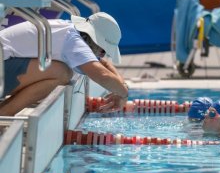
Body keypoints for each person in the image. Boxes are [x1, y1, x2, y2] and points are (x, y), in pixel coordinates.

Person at [0, 12, 128, 116]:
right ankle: (4, 113)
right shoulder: (73, 41)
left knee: (61, 71)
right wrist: (123, 94)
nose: (102, 55)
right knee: (62, 73)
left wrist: (122, 85)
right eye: (103, 50)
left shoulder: (71, 31)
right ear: (93, 38)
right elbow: (102, 75)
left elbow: (103, 65)